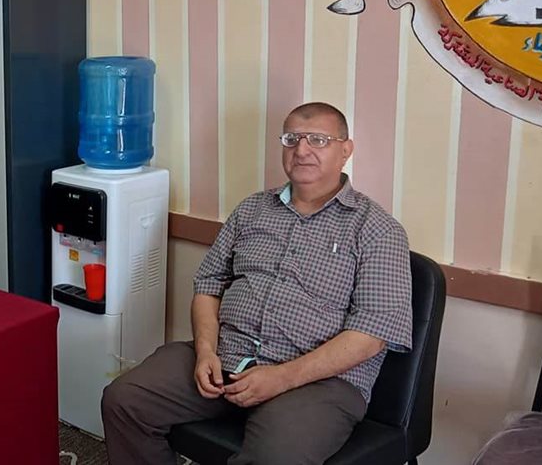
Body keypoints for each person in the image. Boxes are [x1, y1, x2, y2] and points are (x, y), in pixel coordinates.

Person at [102, 102, 413, 465]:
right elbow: (208, 284)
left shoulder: (378, 230)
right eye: (292, 139)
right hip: (226, 355)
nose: (302, 150)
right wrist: (205, 350)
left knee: (274, 458)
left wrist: (282, 378)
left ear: (346, 150)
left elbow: (371, 334)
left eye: (318, 140)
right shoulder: (252, 210)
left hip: (317, 382)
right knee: (125, 400)